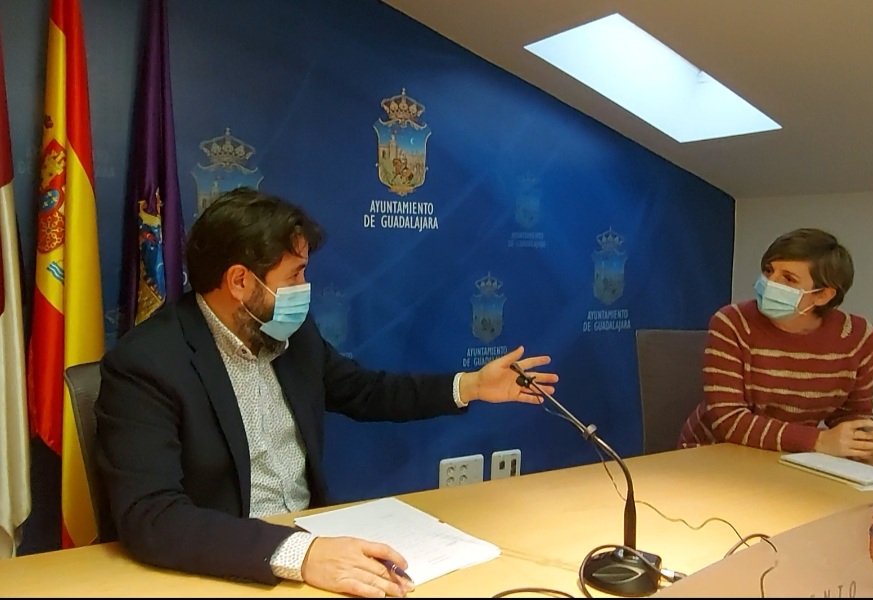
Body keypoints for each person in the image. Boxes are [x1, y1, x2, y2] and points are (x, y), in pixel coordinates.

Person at [95, 186, 558, 598]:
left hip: (317, 546)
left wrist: (470, 386)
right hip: (230, 566)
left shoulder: (291, 333)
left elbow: (365, 391)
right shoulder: (148, 364)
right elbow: (153, 516)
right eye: (294, 275)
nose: (305, 289)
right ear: (240, 282)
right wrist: (301, 554)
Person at [677, 227, 873, 459]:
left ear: (823, 295)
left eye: (788, 278)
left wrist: (861, 438)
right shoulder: (732, 322)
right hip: (713, 454)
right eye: (769, 271)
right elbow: (728, 420)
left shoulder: (860, 338)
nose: (770, 282)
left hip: (791, 456)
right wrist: (817, 440)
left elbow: (852, 413)